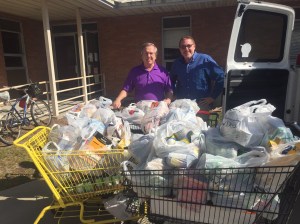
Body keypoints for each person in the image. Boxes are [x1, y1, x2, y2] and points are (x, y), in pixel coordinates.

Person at [170, 36, 224, 110]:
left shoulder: (204, 60)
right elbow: (170, 81)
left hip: (201, 105)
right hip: (182, 105)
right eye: (183, 47)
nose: (186, 49)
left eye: (189, 46)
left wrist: (212, 97)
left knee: (201, 122)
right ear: (180, 49)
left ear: (194, 46)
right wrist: (174, 94)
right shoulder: (177, 63)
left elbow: (221, 76)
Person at [112, 42, 173, 109]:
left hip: (158, 109)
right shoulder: (134, 71)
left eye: (151, 53)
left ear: (155, 56)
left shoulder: (163, 72)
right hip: (140, 110)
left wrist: (168, 100)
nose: (148, 56)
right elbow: (126, 89)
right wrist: (118, 99)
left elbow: (169, 90)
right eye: (146, 53)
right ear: (142, 56)